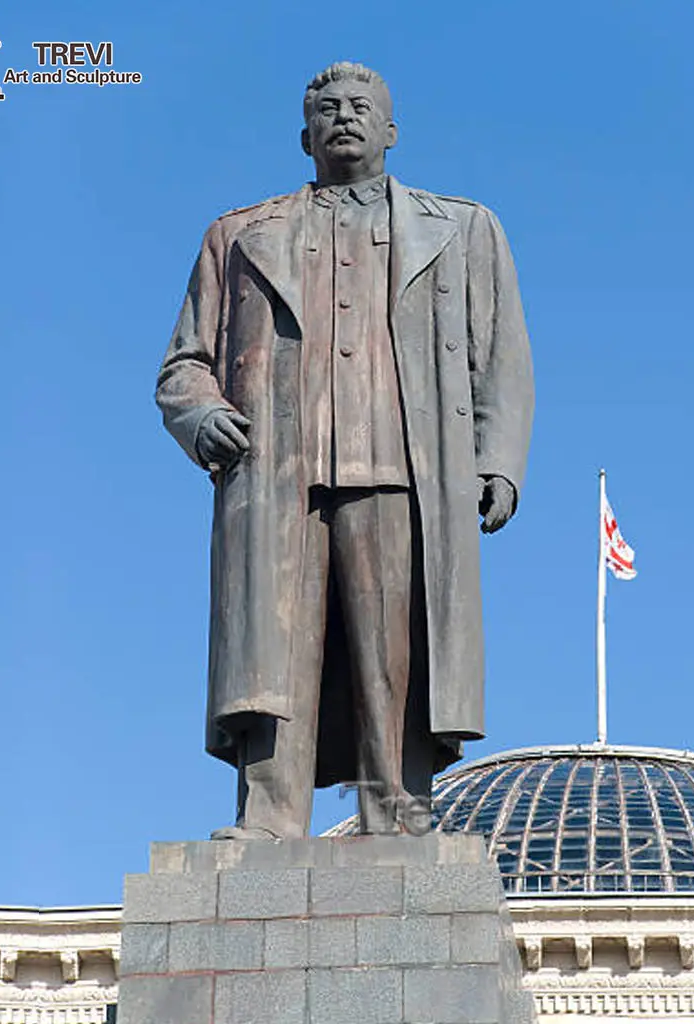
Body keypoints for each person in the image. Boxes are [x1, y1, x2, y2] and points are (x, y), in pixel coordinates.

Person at [156, 61, 534, 838]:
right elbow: (184, 364)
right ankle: (270, 814)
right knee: (275, 656)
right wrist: (201, 416)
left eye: (362, 106)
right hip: (277, 475)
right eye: (328, 107)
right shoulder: (237, 237)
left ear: (392, 131)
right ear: (304, 135)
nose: (345, 117)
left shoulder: (462, 229)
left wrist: (495, 460)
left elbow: (500, 357)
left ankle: (395, 807)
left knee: (388, 655)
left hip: (403, 469)